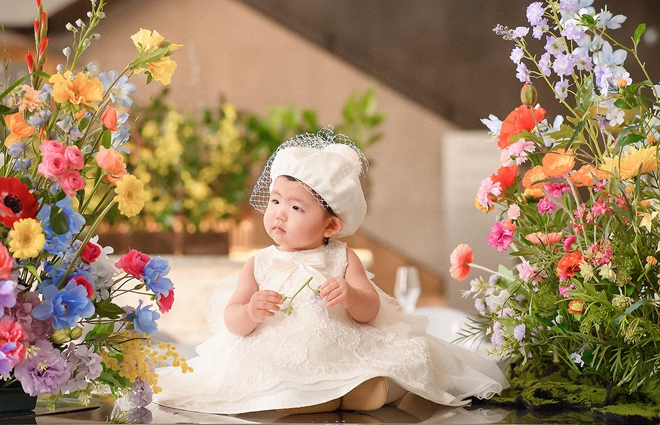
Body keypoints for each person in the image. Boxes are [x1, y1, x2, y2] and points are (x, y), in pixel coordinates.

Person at [155, 126, 508, 415]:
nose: (279, 213)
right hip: (279, 353)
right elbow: (232, 318)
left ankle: (356, 390)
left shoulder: (342, 257)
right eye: (275, 201)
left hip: (340, 349)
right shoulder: (259, 263)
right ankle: (308, 396)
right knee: (268, 376)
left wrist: (351, 295)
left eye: (296, 207)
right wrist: (249, 310)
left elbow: (370, 309)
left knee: (406, 358)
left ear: (330, 226)